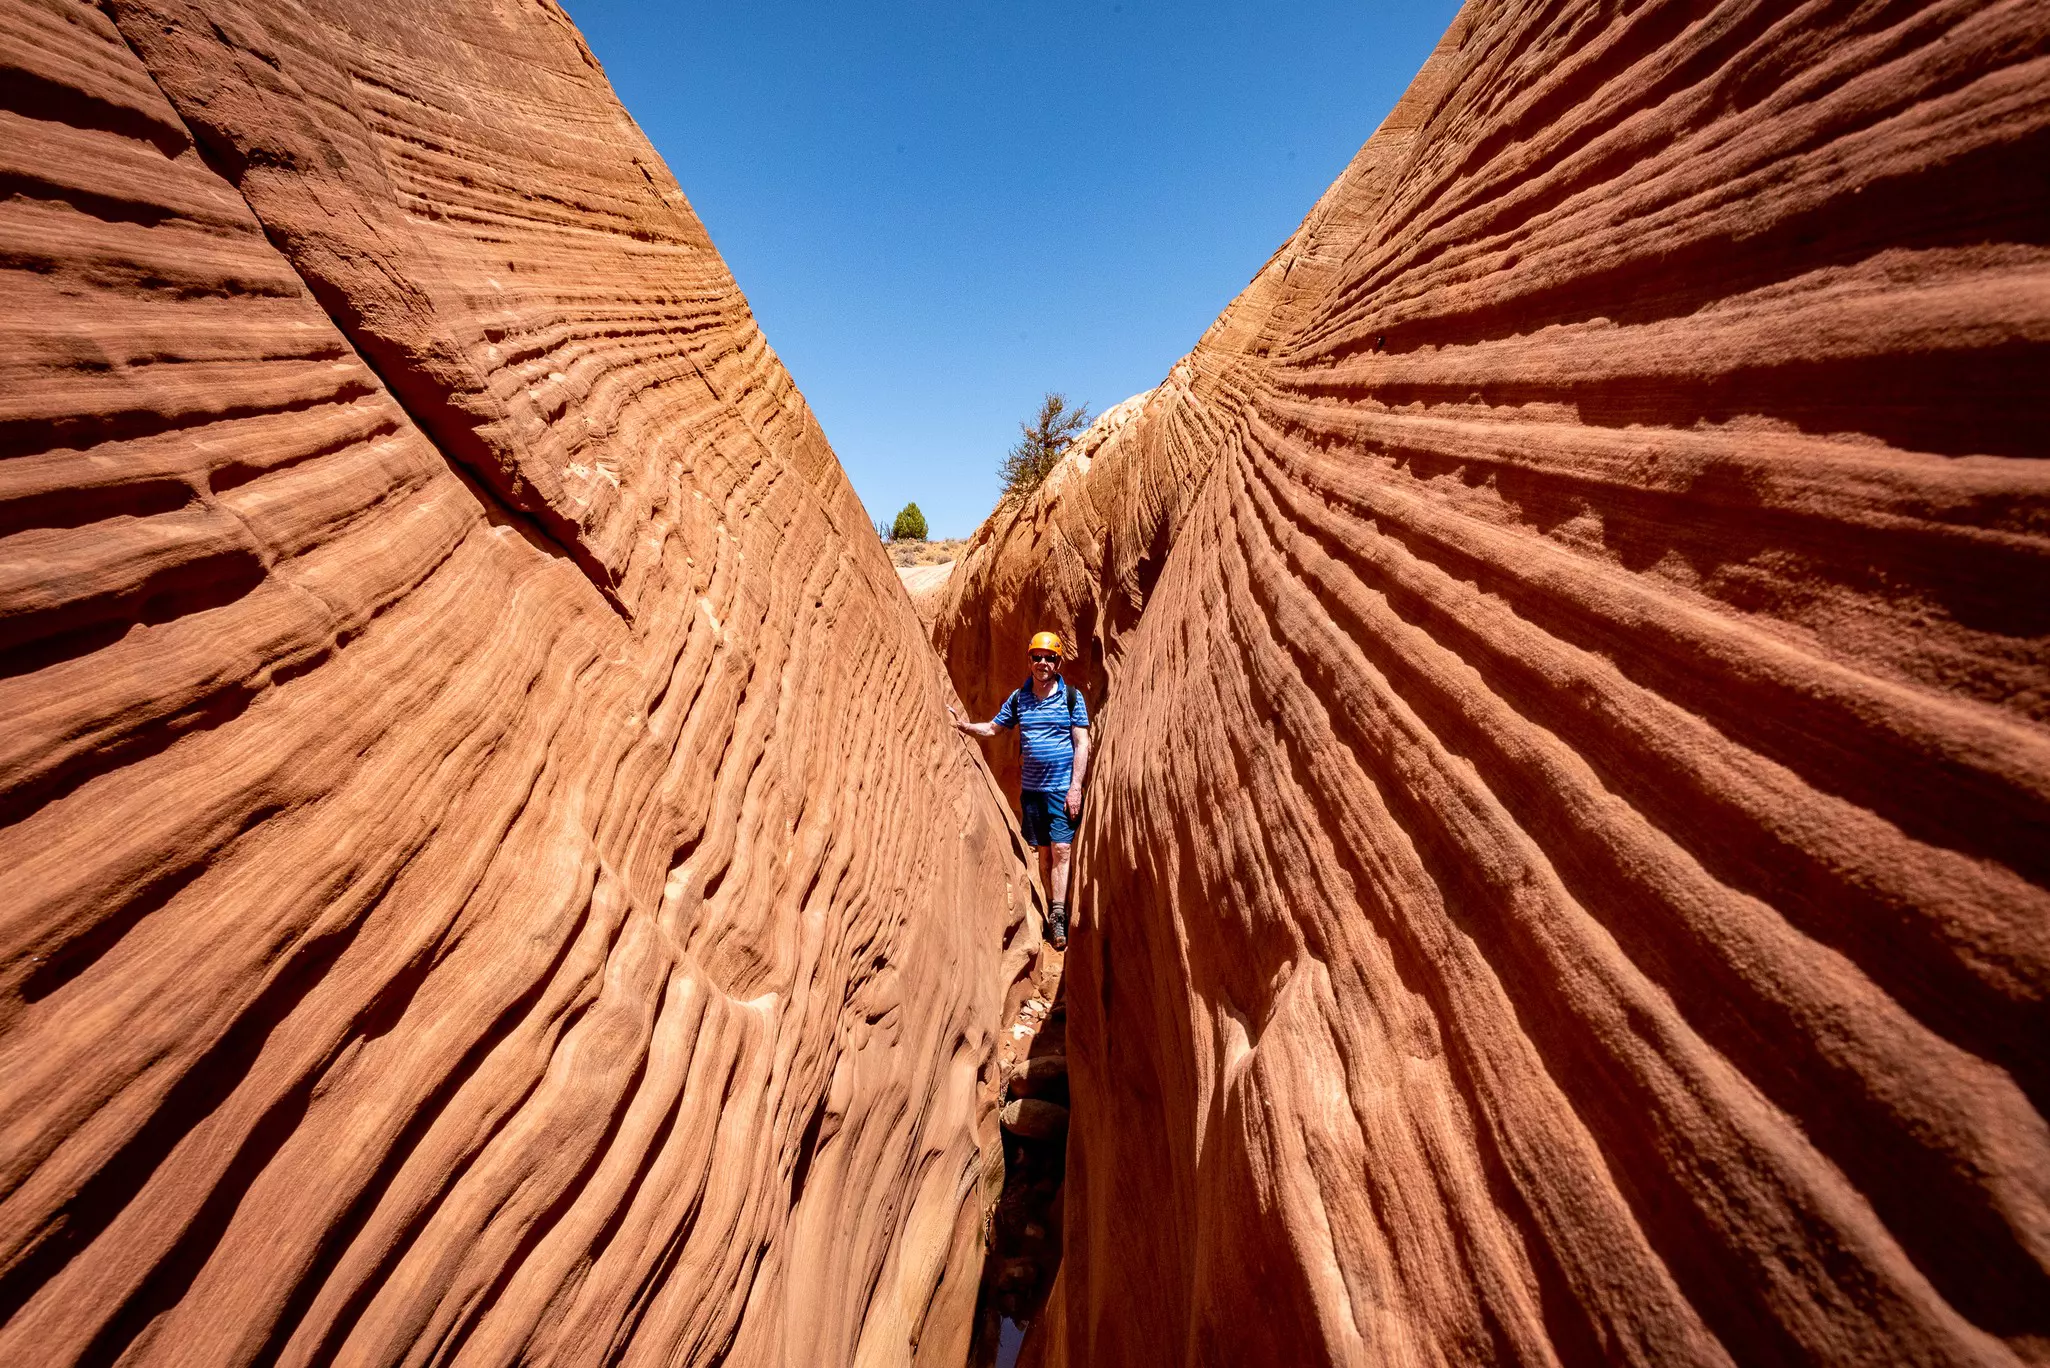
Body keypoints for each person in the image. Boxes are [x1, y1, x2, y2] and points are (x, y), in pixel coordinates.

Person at [949, 631, 1090, 950]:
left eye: (1049, 657)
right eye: (1037, 657)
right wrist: (966, 728)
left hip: (1061, 788)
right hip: (1033, 790)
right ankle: (1052, 901)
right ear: (1029, 661)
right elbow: (995, 728)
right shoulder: (1019, 698)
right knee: (1043, 853)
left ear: (1058, 662)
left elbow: (1082, 742)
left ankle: (1057, 916)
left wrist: (1076, 786)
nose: (1042, 662)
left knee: (1062, 849)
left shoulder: (1071, 697)